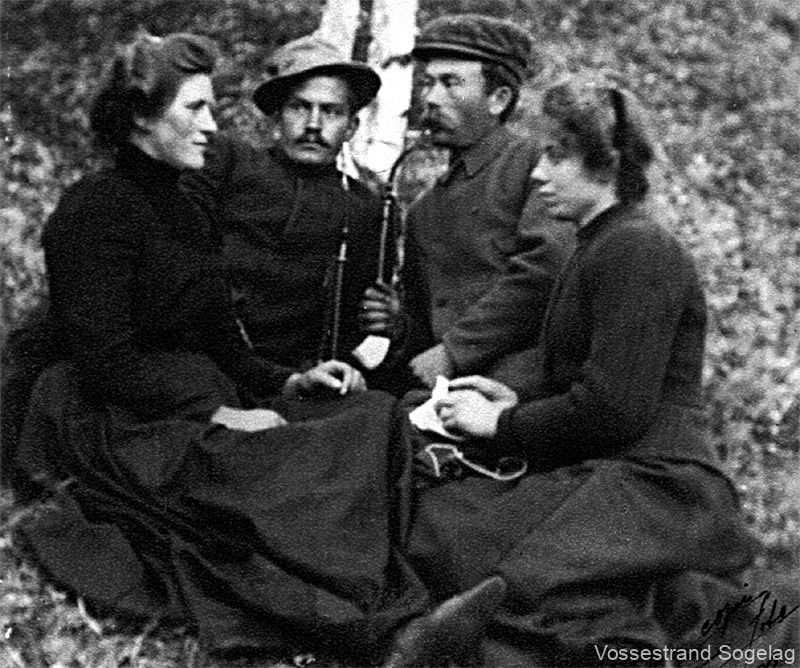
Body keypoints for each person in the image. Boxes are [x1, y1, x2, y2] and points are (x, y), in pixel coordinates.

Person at [13, 32, 507, 667]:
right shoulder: (95, 209)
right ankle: (383, 631)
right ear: (140, 117)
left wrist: (289, 383)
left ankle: (399, 600)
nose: (211, 126)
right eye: (196, 108)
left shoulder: (184, 210)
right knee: (266, 471)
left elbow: (224, 342)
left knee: (369, 417)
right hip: (110, 415)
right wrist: (220, 415)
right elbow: (105, 363)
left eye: (210, 109)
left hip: (190, 394)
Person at [403, 75, 758, 666]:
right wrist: (511, 399)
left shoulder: (638, 248)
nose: (539, 174)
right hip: (616, 470)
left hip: (662, 485)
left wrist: (500, 426)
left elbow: (615, 407)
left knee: (513, 572)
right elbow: (585, 378)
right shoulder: (597, 244)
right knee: (446, 524)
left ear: (608, 164)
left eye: (556, 157)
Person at [359, 13, 575, 391]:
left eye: (450, 83)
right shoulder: (425, 209)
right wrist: (400, 323)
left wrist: (454, 351)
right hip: (447, 389)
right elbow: (428, 329)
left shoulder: (535, 166)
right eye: (427, 83)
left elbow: (547, 270)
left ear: (498, 99)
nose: (430, 98)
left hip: (528, 382)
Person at [181, 35, 388, 376]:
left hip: (300, 376)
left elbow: (358, 322)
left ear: (351, 127)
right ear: (276, 116)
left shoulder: (366, 209)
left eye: (331, 112)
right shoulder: (229, 164)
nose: (313, 125)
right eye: (299, 107)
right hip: (203, 359)